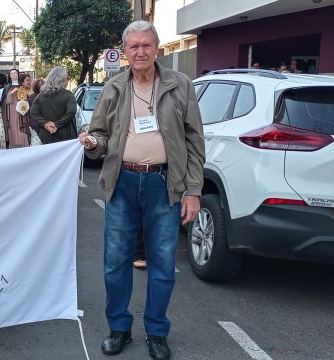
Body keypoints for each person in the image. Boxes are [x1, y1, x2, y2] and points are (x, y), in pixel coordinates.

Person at [78, 20, 204, 360]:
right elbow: (100, 135)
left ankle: (157, 332)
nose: (140, 52)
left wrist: (193, 190)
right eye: (133, 46)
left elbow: (194, 139)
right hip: (123, 182)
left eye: (146, 45)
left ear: (157, 48)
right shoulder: (114, 88)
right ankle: (118, 328)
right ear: (125, 51)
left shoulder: (181, 85)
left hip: (165, 184)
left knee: (162, 262)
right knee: (116, 261)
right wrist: (91, 143)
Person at [30, 66, 77, 144]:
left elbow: (33, 113)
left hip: (45, 135)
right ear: (61, 80)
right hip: (65, 136)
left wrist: (45, 123)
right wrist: (56, 124)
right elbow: (71, 112)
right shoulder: (68, 95)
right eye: (67, 79)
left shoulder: (41, 95)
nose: (68, 81)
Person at [0, 72, 35, 148]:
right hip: (11, 114)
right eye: (12, 73)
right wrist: (11, 93)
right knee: (12, 130)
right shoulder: (7, 88)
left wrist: (25, 103)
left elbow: (26, 101)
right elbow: (5, 102)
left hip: (21, 114)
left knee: (21, 129)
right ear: (9, 75)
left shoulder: (21, 88)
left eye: (15, 73)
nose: (14, 75)